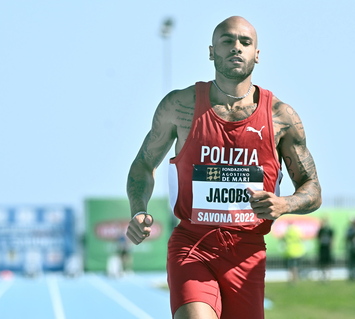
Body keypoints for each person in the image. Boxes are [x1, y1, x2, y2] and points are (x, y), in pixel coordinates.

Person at [126, 16, 321, 319]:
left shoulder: (281, 117)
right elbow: (143, 165)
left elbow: (312, 188)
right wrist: (138, 209)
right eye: (227, 41)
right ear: (211, 51)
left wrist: (284, 203)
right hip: (193, 245)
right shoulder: (180, 106)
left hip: (248, 252)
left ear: (257, 53)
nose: (236, 48)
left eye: (245, 42)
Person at [316, 217, 334, 282]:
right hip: (322, 248)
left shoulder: (329, 230)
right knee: (322, 263)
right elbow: (318, 238)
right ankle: (323, 275)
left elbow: (332, 239)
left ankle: (328, 275)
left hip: (327, 248)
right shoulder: (320, 230)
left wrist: (331, 246)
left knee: (328, 263)